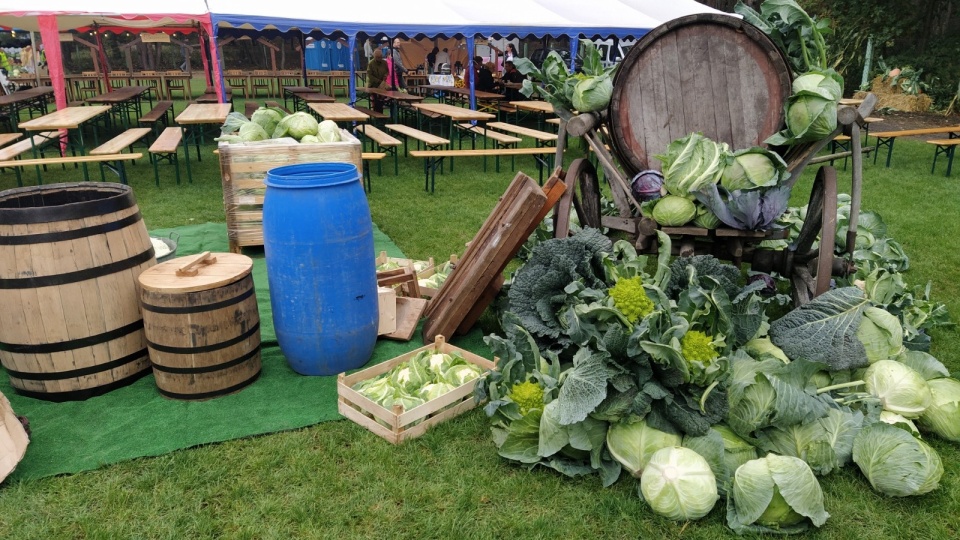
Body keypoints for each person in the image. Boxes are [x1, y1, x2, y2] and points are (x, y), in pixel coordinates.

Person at [366, 48, 389, 113]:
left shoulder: (384, 63)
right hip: (373, 85)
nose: (379, 59)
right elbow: (369, 75)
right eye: (377, 57)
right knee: (376, 99)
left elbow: (387, 71)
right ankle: (376, 112)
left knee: (381, 99)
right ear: (374, 57)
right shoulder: (371, 63)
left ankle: (380, 113)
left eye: (380, 57)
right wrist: (378, 81)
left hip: (382, 85)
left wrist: (385, 75)